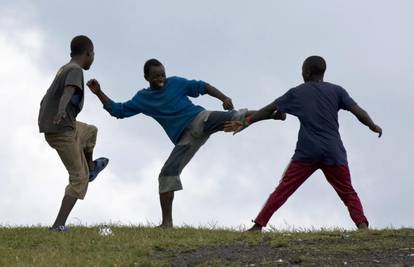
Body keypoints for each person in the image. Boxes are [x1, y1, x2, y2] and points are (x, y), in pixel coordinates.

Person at [87, 58, 285, 228]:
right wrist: (98, 93)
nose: (161, 79)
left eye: (163, 74)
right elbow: (118, 111)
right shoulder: (143, 98)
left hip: (199, 118)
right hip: (186, 138)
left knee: (231, 116)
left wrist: (223, 96)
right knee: (167, 173)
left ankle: (271, 113)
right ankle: (167, 224)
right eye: (156, 76)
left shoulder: (176, 83)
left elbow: (202, 86)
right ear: (147, 78)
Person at [224, 55, 382, 231]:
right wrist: (372, 125)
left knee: (284, 188)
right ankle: (362, 226)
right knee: (347, 192)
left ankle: (258, 226)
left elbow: (270, 109)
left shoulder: (297, 92)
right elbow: (358, 111)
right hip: (333, 151)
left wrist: (247, 122)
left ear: (306, 72)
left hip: (307, 152)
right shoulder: (337, 91)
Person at [38, 35, 109, 232]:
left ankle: (91, 167)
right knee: (78, 178)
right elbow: (68, 91)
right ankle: (58, 226)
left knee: (90, 132)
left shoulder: (65, 68)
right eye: (93, 55)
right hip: (61, 130)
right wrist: (61, 110)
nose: (93, 58)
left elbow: (48, 95)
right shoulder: (75, 70)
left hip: (64, 126)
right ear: (88, 54)